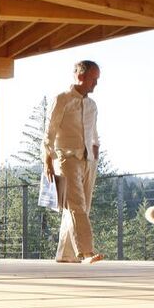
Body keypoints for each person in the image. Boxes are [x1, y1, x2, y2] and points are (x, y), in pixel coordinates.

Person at [42, 60, 104, 264]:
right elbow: (49, 133)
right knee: (77, 205)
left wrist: (95, 157)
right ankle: (86, 252)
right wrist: (47, 161)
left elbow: (94, 134)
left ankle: (65, 254)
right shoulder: (62, 100)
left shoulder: (92, 105)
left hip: (89, 161)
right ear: (80, 76)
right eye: (93, 79)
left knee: (80, 208)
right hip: (66, 159)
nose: (96, 83)